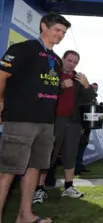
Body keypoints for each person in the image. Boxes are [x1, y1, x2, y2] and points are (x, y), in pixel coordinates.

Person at [0, 13, 70, 223]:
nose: (60, 35)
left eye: (64, 32)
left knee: (34, 168)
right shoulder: (23, 49)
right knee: (8, 171)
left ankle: (25, 215)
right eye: (57, 30)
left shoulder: (56, 60)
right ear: (43, 26)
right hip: (21, 119)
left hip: (46, 122)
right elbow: (2, 76)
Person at [35, 50, 96, 203]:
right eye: (69, 60)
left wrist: (87, 86)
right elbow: (41, 93)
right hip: (54, 121)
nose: (72, 64)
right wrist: (61, 86)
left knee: (71, 154)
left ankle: (68, 187)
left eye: (75, 62)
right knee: (48, 154)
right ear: (62, 59)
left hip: (74, 122)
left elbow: (90, 99)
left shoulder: (78, 79)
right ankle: (39, 189)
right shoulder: (52, 73)